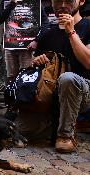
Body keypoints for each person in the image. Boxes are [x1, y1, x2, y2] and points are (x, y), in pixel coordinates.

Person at [32, 0, 90, 153]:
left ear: (82, 1)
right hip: (53, 93)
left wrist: (71, 32)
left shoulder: (88, 26)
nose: (63, 5)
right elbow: (36, 70)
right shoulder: (47, 33)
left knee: (68, 78)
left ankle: (65, 135)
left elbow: (88, 62)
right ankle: (54, 125)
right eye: (58, 1)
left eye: (69, 1)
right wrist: (37, 62)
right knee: (23, 131)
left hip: (84, 92)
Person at [0, 0, 50, 121]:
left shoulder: (35, 2)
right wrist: (11, 5)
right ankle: (12, 107)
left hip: (27, 47)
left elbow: (45, 23)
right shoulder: (6, 2)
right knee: (11, 76)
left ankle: (25, 108)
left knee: (26, 76)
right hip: (10, 45)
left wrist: (37, 40)